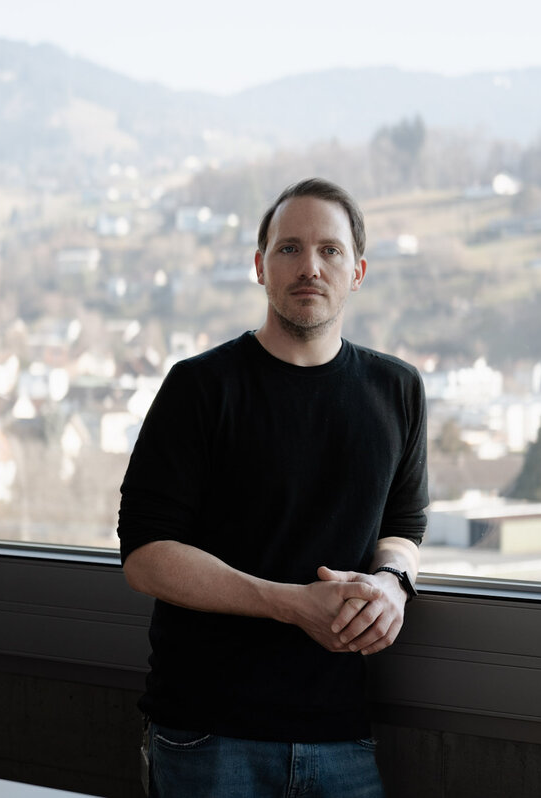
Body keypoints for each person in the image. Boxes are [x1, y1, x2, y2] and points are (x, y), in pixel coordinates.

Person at [117, 177, 429, 797]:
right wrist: (289, 604)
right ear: (260, 267)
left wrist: (393, 584)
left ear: (358, 271)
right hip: (208, 737)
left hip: (342, 735)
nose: (309, 266)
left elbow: (404, 526)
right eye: (289, 249)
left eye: (329, 251)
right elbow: (145, 555)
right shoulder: (200, 388)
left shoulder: (397, 390)